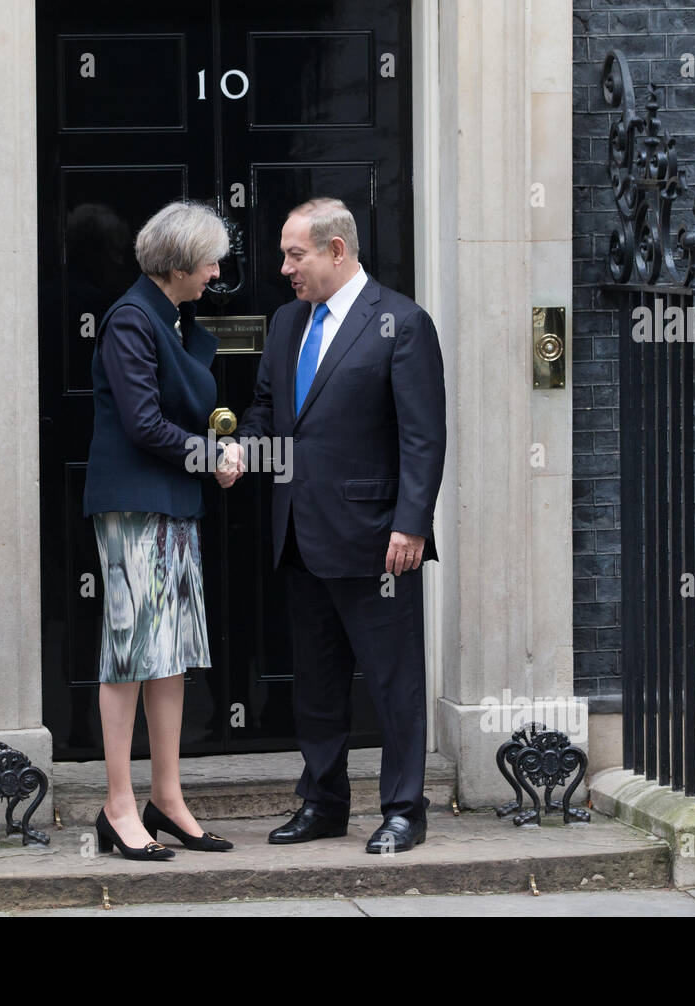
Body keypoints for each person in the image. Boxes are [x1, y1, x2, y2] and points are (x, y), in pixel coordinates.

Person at [229, 197, 446, 853]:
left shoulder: (402, 323)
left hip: (378, 540)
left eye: (295, 254)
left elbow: (423, 436)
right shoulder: (288, 321)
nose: (285, 267)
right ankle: (323, 802)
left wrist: (411, 523)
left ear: (336, 250)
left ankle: (405, 808)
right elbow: (270, 411)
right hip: (300, 533)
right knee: (317, 684)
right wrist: (241, 449)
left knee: (392, 681)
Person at [82, 200, 239, 860]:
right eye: (210, 262)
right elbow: (143, 423)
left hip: (171, 503)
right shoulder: (130, 319)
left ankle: (167, 798)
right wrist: (212, 457)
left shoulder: (168, 317)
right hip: (135, 506)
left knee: (169, 655)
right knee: (129, 654)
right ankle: (119, 805)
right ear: (179, 263)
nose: (216, 274)